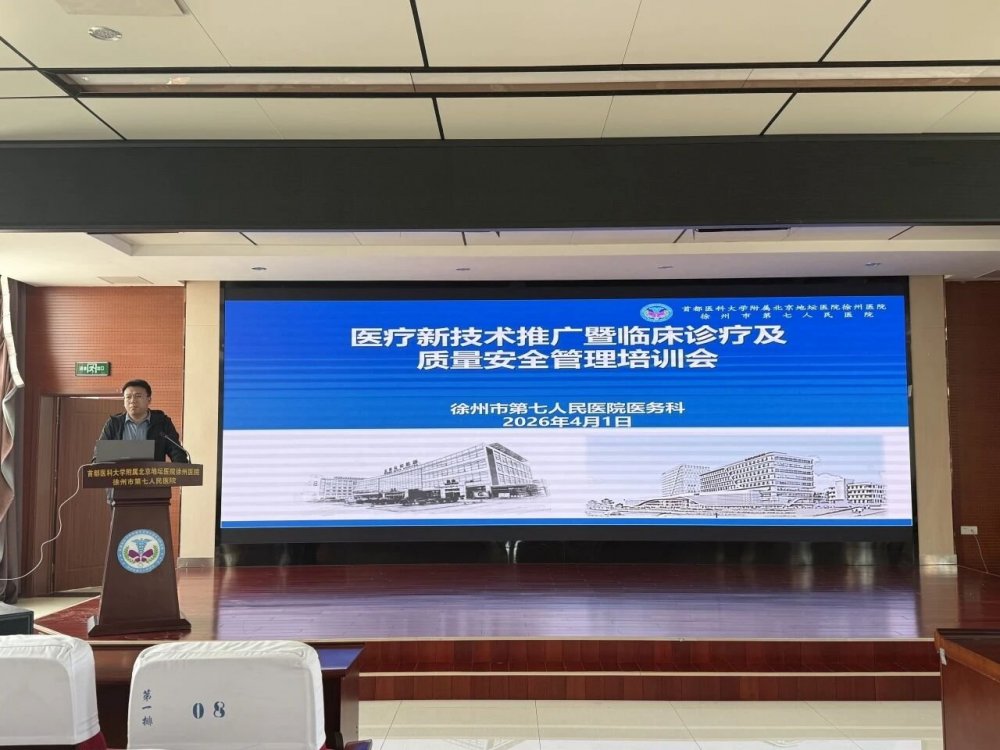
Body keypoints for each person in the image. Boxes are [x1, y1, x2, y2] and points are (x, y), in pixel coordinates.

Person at [96, 379, 189, 463]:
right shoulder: (113, 423)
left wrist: (181, 470)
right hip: (121, 475)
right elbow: (98, 457)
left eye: (138, 396)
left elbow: (177, 453)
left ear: (149, 399)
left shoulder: (162, 422)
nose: (133, 401)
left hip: (152, 475)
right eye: (128, 397)